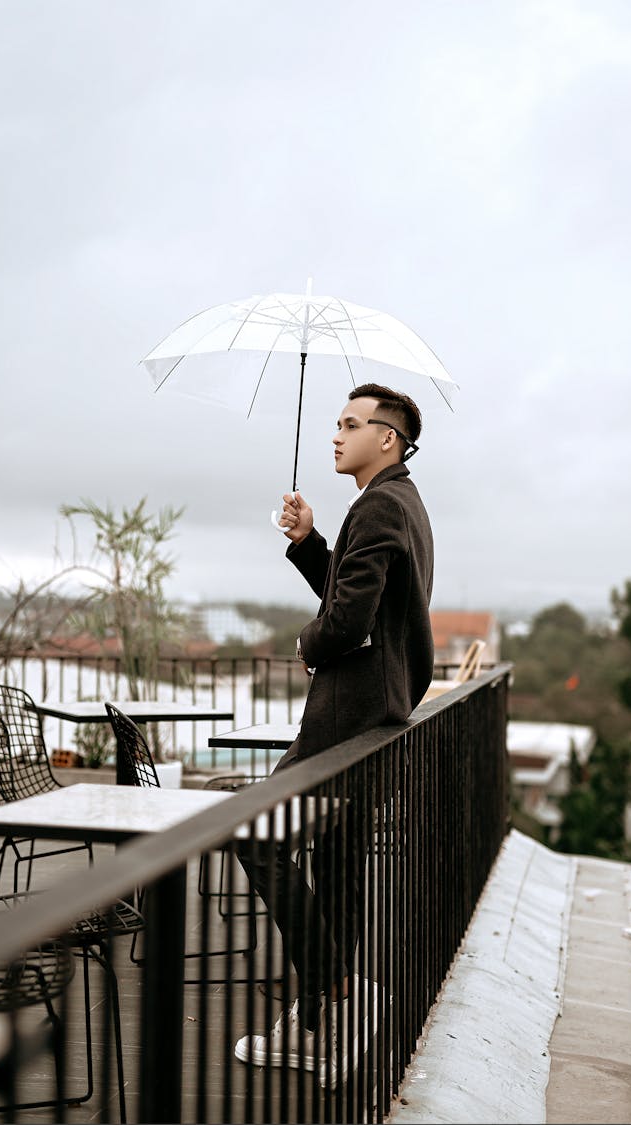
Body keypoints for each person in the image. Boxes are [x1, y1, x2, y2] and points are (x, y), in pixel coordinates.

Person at [234, 382, 435, 1086]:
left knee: (255, 836)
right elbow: (358, 596)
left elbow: (347, 622)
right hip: (380, 711)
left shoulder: (379, 504)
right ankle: (323, 1020)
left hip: (347, 716)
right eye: (336, 423)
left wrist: (307, 643)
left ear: (388, 438)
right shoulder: (401, 502)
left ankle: (330, 988)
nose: (336, 434)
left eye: (350, 424)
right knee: (341, 866)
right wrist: (309, 541)